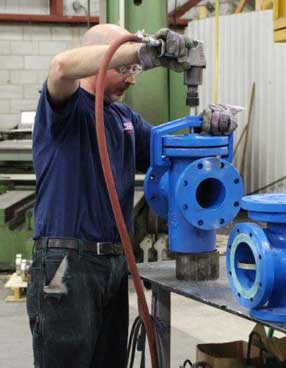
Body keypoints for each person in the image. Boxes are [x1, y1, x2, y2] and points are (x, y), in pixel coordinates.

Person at [26, 23, 235, 368]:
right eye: (125, 68)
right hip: (65, 264)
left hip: (112, 263)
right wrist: (144, 50)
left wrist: (205, 127)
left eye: (135, 69)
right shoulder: (63, 108)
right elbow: (61, 67)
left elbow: (170, 151)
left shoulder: (123, 118)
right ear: (98, 61)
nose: (133, 78)